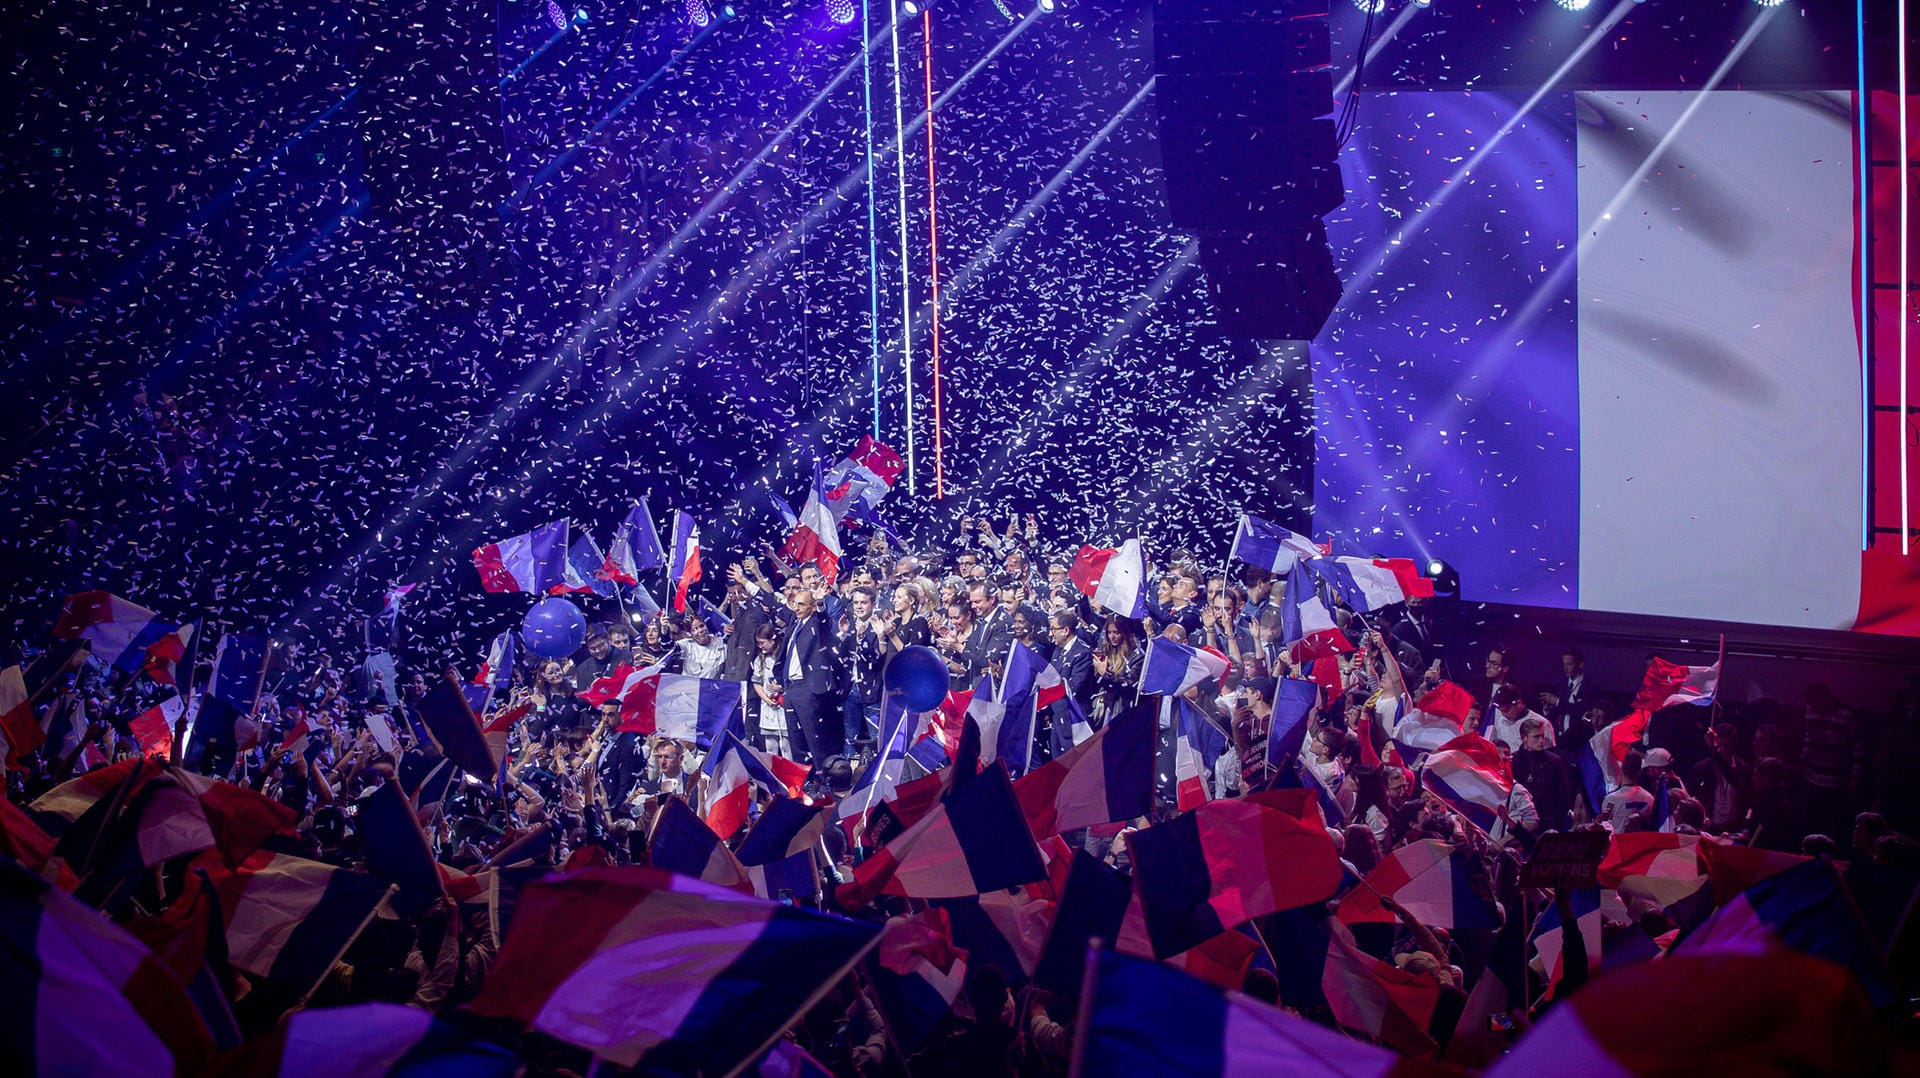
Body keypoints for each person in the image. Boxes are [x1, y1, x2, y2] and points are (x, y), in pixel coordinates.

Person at [778, 586, 844, 767]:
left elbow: (824, 618)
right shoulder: (795, 624)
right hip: (790, 689)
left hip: (807, 688)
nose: (797, 608)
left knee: (815, 738)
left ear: (812, 607)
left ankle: (824, 782)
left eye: (801, 604)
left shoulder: (817, 622)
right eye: (795, 604)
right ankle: (806, 781)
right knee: (796, 740)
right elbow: (771, 601)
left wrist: (821, 602)